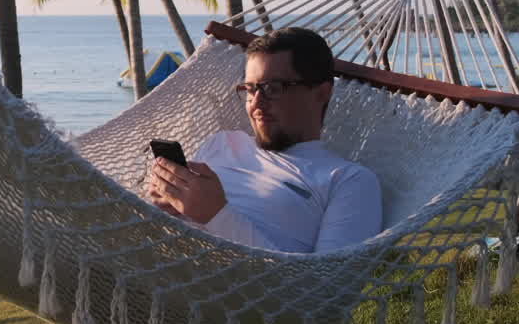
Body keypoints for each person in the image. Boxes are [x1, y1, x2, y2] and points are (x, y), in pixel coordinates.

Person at [146, 27, 382, 253]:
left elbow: (325, 290)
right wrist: (170, 200)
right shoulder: (222, 142)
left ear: (321, 93)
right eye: (250, 89)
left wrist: (217, 215)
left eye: (273, 88)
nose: (256, 103)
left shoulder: (347, 180)